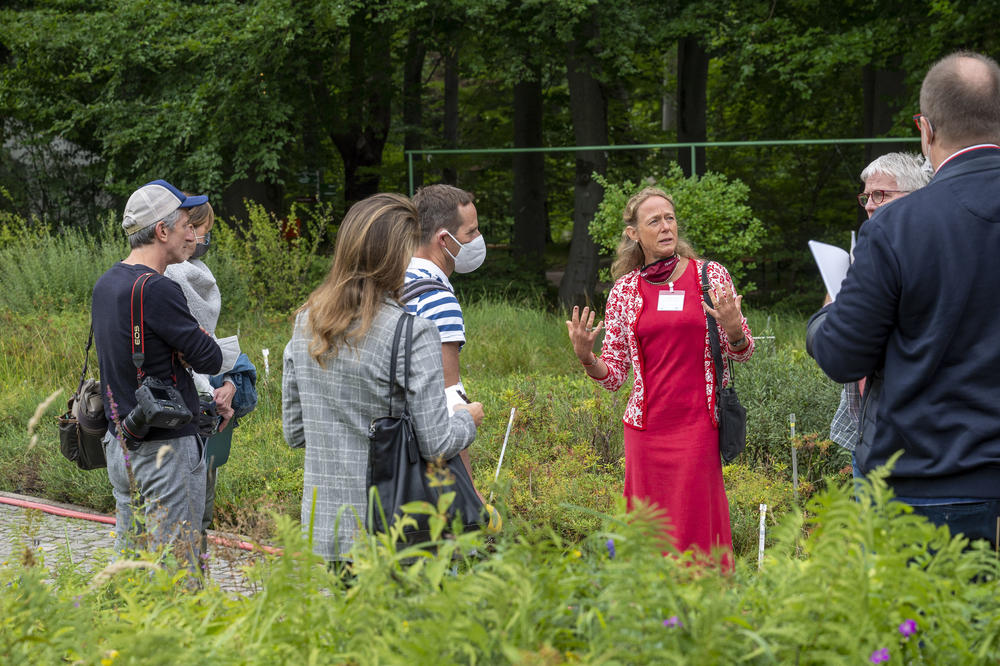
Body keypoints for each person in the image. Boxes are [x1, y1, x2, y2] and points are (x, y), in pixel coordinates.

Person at [807, 51, 1000, 548]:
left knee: (925, 628)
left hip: (929, 489)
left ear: (925, 128)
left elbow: (842, 354)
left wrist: (828, 312)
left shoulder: (899, 227)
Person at [282, 192, 485, 562]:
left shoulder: (305, 323)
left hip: (322, 529)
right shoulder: (413, 332)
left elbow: (295, 432)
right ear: (397, 255)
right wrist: (466, 419)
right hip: (391, 533)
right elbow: (437, 444)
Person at [566, 186, 754, 567]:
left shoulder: (709, 276)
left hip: (699, 426)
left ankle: (705, 611)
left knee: (699, 528)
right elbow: (615, 375)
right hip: (646, 431)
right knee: (649, 531)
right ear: (634, 233)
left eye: (670, 218)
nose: (666, 227)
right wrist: (587, 357)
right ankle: (651, 614)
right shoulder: (624, 292)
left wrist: (734, 329)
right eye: (654, 221)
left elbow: (744, 350)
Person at [92, 179, 223, 569]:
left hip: (121, 444)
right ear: (162, 231)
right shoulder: (160, 290)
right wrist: (193, 342)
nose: (193, 234)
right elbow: (211, 360)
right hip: (165, 449)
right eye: (187, 224)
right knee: (177, 572)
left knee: (131, 569)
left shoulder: (107, 284)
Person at [164, 201, 257, 555]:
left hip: (208, 418)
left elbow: (212, 347)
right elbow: (188, 350)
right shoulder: (167, 279)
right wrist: (214, 388)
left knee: (200, 514)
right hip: (179, 420)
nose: (203, 238)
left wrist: (231, 384)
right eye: (203, 230)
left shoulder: (199, 275)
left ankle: (197, 590)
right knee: (178, 519)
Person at [828, 153, 930, 471]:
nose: (870, 204)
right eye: (867, 196)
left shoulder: (927, 254)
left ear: (914, 198)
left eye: (881, 194)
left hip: (908, 440)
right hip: (867, 427)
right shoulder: (868, 251)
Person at [402, 184, 486, 494]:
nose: (478, 241)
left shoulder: (389, 280)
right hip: (426, 457)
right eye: (471, 232)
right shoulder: (438, 299)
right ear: (444, 240)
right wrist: (469, 491)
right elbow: (450, 398)